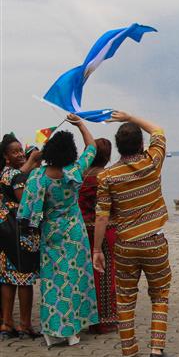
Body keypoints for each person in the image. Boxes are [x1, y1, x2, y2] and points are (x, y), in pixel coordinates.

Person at [91, 111, 176, 357]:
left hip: (125, 245)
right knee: (159, 295)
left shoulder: (107, 177)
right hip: (154, 242)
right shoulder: (152, 162)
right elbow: (159, 130)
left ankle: (129, 356)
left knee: (125, 298)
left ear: (118, 146)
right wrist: (130, 116)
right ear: (141, 144)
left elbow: (102, 216)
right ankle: (156, 351)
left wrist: (97, 249)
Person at [17, 115, 99, 347]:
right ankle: (71, 330)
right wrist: (80, 124)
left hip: (51, 231)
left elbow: (26, 210)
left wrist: (35, 159)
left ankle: (51, 330)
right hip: (74, 232)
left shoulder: (38, 178)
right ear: (70, 153)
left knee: (53, 281)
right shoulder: (75, 170)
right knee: (73, 280)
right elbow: (91, 147)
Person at [0, 134, 42, 339]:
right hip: (20, 233)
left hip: (6, 233)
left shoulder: (9, 173)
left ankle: (7, 324)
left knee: (7, 279)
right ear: (6, 157)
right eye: (14, 152)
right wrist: (33, 162)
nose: (19, 154)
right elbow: (24, 200)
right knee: (24, 279)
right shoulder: (12, 175)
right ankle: (24, 325)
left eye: (20, 150)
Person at [79, 138, 118, 334]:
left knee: (88, 274)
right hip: (105, 228)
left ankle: (90, 317)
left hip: (83, 229)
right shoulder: (106, 176)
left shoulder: (80, 175)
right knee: (106, 273)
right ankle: (106, 318)